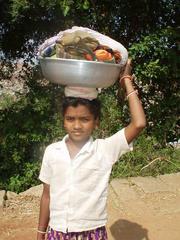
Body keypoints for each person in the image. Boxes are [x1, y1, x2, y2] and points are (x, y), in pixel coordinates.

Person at [37, 59, 146, 240]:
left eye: (85, 119)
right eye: (70, 119)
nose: (77, 126)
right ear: (63, 120)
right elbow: (47, 196)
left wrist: (126, 79)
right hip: (57, 233)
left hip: (91, 234)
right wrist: (41, 233)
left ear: (96, 121)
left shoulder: (104, 150)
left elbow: (139, 123)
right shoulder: (52, 152)